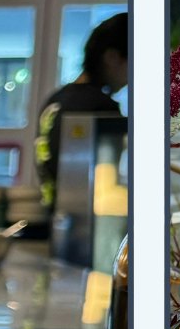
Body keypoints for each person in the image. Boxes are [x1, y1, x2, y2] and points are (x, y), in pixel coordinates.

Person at [36, 11, 128, 217]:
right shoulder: (99, 107)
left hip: (54, 218)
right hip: (84, 220)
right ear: (112, 57)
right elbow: (107, 180)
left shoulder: (56, 100)